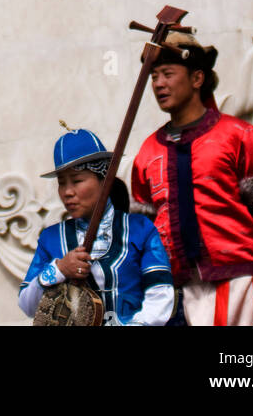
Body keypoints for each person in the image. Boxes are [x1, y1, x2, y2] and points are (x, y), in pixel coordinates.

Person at [131, 30, 253, 326]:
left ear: (197, 79)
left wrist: (244, 247)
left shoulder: (239, 136)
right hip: (178, 292)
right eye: (154, 76)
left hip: (239, 284)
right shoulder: (148, 151)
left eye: (167, 73)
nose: (159, 84)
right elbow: (144, 228)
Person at [19, 127, 174, 325]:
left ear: (105, 180)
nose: (67, 192)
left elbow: (161, 294)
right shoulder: (51, 238)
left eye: (77, 181)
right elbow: (27, 305)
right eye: (62, 183)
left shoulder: (140, 230)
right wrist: (59, 269)